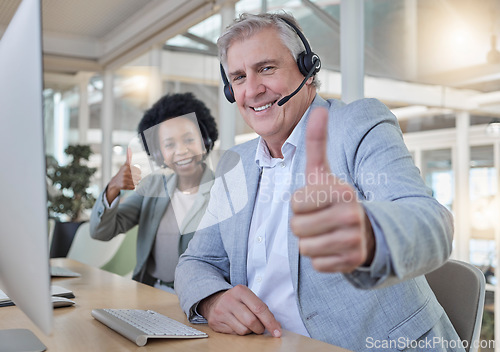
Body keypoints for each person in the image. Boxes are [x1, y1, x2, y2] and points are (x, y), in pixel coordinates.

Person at [174, 13, 463, 351]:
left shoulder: (356, 126)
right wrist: (212, 300)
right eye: (239, 77)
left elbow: (431, 221)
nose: (252, 89)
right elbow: (195, 263)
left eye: (266, 68)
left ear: (307, 69)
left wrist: (370, 234)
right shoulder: (234, 164)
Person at [90, 92, 218, 293]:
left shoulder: (222, 192)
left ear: (205, 140)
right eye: (169, 144)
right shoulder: (152, 188)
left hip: (202, 298)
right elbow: (101, 232)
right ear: (158, 153)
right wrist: (113, 188)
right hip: (152, 293)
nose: (181, 150)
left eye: (189, 140)